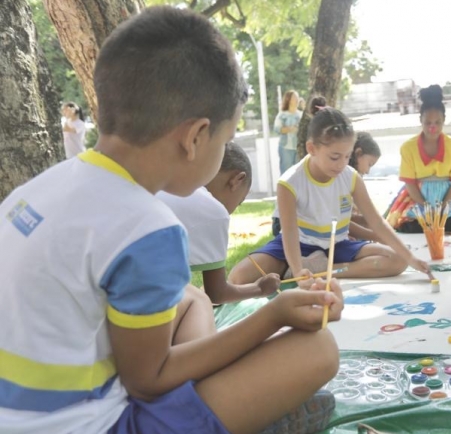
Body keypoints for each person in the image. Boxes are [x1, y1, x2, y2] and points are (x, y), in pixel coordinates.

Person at [0, 7, 343, 434]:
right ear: (195, 137)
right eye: (227, 137)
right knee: (319, 350)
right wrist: (273, 317)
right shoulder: (146, 226)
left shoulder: (40, 189)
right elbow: (147, 381)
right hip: (93, 424)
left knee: (189, 299)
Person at [229, 98, 432, 289]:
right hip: (296, 246)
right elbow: (289, 233)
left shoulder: (351, 177)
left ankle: (322, 272)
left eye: (346, 156)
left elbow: (377, 222)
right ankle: (298, 270)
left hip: (337, 245)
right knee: (239, 278)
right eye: (335, 157)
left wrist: (410, 258)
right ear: (312, 148)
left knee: (397, 261)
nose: (342, 164)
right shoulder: (289, 183)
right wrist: (299, 268)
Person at [158, 142, 281, 305]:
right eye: (239, 203)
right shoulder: (213, 212)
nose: (232, 211)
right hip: (138, 303)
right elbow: (216, 293)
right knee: (197, 302)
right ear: (237, 180)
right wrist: (259, 288)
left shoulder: (164, 178)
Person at [384, 85, 451, 233]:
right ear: (420, 120)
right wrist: (425, 206)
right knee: (411, 225)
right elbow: (410, 184)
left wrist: (443, 206)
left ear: (444, 120)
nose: (433, 128)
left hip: (448, 197)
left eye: (437, 123)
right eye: (428, 123)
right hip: (417, 197)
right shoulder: (408, 148)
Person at [275, 90, 302, 174]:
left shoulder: (301, 115)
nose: (297, 99)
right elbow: (277, 129)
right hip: (285, 148)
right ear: (288, 100)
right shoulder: (282, 115)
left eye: (297, 97)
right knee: (286, 173)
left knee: (299, 173)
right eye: (294, 97)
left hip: (298, 148)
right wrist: (290, 129)